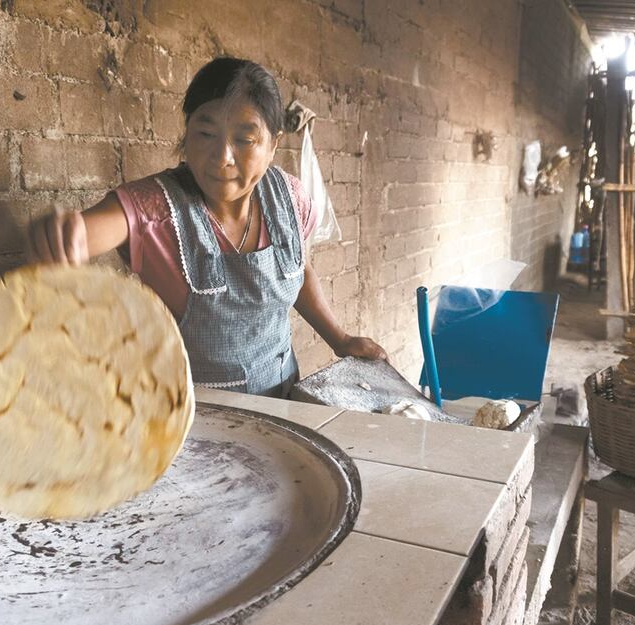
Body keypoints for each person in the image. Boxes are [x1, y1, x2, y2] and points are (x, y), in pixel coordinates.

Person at [27, 57, 386, 398]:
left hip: (284, 398)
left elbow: (299, 271)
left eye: (245, 140)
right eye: (205, 133)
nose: (222, 157)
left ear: (273, 145)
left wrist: (339, 339)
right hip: (198, 424)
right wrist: (62, 236)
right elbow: (89, 231)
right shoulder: (157, 208)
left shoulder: (291, 199)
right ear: (187, 133)